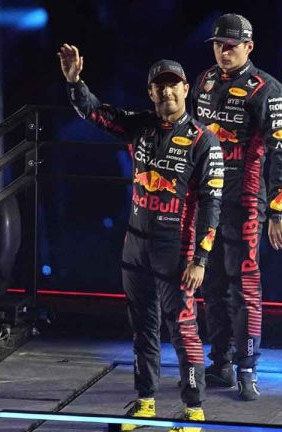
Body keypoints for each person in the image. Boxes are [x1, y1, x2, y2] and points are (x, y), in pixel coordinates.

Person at [59, 44, 224, 432]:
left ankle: (194, 409)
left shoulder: (204, 142)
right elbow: (96, 113)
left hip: (177, 250)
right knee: (143, 327)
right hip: (135, 244)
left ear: (187, 90)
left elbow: (213, 205)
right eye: (159, 87)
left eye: (173, 86)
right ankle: (146, 402)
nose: (167, 93)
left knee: (183, 327)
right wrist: (74, 82)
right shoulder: (140, 125)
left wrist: (200, 259)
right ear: (150, 93)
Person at [191, 13, 282, 401]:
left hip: (246, 203)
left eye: (232, 45)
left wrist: (277, 210)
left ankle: (247, 368)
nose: (224, 51)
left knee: (245, 288)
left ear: (249, 47)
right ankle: (218, 362)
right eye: (218, 44)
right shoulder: (203, 81)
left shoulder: (268, 90)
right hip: (207, 201)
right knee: (212, 286)